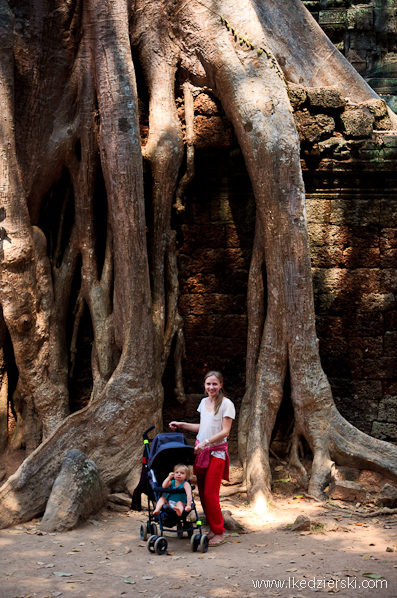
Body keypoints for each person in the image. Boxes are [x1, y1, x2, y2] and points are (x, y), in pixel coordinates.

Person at [170, 371, 235, 546]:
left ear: (221, 385)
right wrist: (182, 424)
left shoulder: (227, 404)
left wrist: (205, 443)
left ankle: (219, 532)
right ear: (204, 386)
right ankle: (212, 528)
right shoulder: (203, 402)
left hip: (216, 453)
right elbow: (202, 426)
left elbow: (225, 431)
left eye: (215, 384)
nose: (211, 387)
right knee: (203, 494)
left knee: (210, 494)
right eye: (208, 384)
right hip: (202, 452)